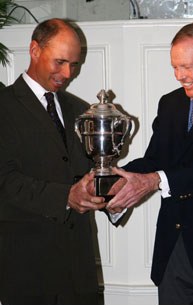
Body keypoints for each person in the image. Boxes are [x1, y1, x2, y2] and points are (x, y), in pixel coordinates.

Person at [107, 22, 193, 304]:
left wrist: (155, 180)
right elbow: (156, 159)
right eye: (175, 67)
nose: (180, 76)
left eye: (187, 67)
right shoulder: (171, 104)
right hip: (172, 253)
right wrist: (118, 181)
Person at [0, 18, 110, 305]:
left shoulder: (79, 109)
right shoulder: (4, 106)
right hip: (27, 274)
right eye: (60, 62)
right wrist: (65, 197)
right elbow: (4, 181)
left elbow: (88, 177)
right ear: (34, 50)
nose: (68, 73)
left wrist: (113, 194)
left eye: (74, 64)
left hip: (81, 274)